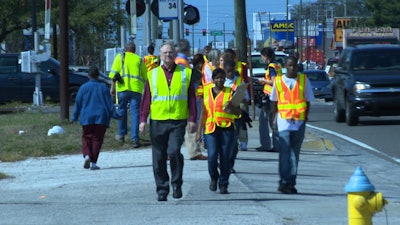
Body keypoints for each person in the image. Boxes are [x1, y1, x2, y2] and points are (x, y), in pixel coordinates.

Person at [139, 42, 197, 201]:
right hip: (158, 120)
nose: (168, 55)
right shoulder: (153, 74)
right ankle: (162, 190)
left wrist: (192, 119)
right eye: (165, 53)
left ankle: (177, 184)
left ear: (175, 54)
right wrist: (143, 120)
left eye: (171, 52)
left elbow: (192, 98)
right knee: (158, 157)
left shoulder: (186, 73)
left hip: (178, 120)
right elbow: (146, 100)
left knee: (173, 151)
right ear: (160, 55)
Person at [270, 56, 315, 194]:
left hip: (299, 122)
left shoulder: (303, 80)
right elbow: (274, 102)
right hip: (283, 122)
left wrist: (305, 117)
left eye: (294, 66)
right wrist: (273, 119)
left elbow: (308, 100)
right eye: (289, 65)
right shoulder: (278, 81)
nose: (292, 68)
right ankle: (283, 181)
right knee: (284, 154)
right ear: (285, 66)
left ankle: (291, 182)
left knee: (294, 155)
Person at [196, 68, 241, 194]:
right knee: (212, 156)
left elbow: (238, 113)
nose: (219, 80)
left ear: (225, 79)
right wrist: (199, 132)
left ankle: (224, 183)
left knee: (225, 157)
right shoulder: (206, 92)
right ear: (213, 79)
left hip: (227, 128)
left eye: (222, 78)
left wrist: (232, 107)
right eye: (217, 78)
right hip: (211, 128)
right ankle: (214, 177)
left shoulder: (231, 92)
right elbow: (203, 113)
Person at [71, 66, 121, 170]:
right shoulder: (103, 88)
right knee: (97, 139)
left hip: (86, 117)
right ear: (98, 76)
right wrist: (116, 115)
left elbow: (78, 103)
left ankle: (87, 155)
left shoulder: (83, 88)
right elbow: (109, 104)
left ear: (88, 76)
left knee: (86, 137)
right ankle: (93, 163)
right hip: (101, 117)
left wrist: (74, 116)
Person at [109, 42, 147, 148]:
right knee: (135, 113)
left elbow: (113, 74)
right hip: (136, 90)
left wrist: (112, 88)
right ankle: (135, 138)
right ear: (134, 50)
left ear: (125, 49)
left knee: (121, 111)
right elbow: (145, 76)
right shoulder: (139, 59)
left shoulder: (120, 57)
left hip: (122, 89)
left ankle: (121, 134)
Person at [175, 39, 207, 160]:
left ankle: (173, 151)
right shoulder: (182, 62)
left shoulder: (179, 60)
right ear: (187, 49)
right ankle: (194, 151)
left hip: (182, 95)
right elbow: (185, 79)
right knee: (191, 123)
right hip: (186, 96)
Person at [222, 58, 251, 174]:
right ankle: (223, 162)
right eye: (227, 72)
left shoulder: (239, 82)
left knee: (233, 144)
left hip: (236, 116)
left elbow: (247, 99)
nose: (230, 74)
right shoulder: (220, 82)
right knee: (224, 143)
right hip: (222, 116)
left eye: (231, 72)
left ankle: (230, 165)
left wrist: (240, 98)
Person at [256, 47, 282, 152]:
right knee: (272, 120)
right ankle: (276, 144)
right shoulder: (277, 65)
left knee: (267, 120)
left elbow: (274, 81)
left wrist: (263, 81)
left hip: (270, 96)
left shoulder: (271, 67)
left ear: (267, 57)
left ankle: (270, 145)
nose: (262, 59)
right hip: (275, 95)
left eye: (262, 57)